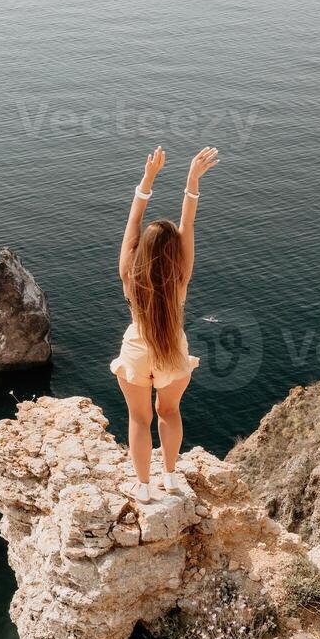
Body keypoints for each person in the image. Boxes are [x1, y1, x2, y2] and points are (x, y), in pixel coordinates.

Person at [112, 145, 220, 502]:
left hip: (137, 348)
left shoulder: (129, 273)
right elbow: (188, 223)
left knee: (139, 420)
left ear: (142, 248)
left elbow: (133, 223)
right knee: (169, 412)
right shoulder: (181, 276)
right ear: (174, 252)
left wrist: (148, 179)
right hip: (173, 349)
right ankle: (170, 478)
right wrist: (192, 179)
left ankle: (142, 487)